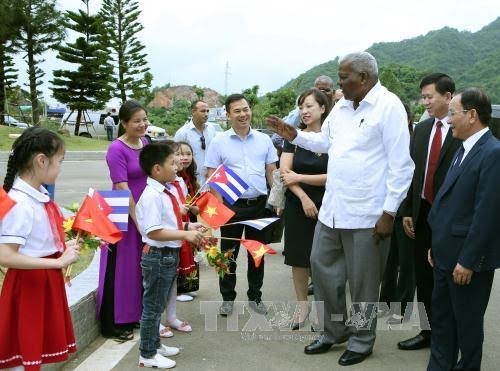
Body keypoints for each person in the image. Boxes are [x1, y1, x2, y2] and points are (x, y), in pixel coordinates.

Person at [267, 51, 414, 366]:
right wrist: (296, 137)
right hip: (333, 209)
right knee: (321, 268)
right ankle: (334, 331)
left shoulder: (389, 107)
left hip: (368, 213)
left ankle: (362, 339)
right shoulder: (343, 108)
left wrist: (389, 213)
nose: (339, 82)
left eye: (343, 76)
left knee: (363, 283)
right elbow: (325, 143)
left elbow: (402, 167)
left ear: (363, 77)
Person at [427, 88, 500, 370]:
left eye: (453, 114)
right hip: (446, 255)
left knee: (467, 326)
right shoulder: (463, 149)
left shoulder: (492, 153)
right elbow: (449, 204)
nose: (448, 120)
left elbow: (487, 214)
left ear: (471, 115)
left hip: (466, 262)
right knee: (442, 321)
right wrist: (436, 243)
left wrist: (468, 260)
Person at [0, 128, 81, 370]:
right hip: (29, 287)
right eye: (60, 161)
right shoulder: (20, 203)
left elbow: (37, 244)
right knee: (24, 353)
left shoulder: (36, 196)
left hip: (42, 282)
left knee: (32, 352)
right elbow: (5, 254)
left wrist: (63, 248)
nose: (61, 167)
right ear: (41, 160)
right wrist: (57, 262)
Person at [397, 73, 461, 351]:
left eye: (429, 96)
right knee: (422, 276)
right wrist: (407, 210)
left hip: (450, 217)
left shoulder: (462, 132)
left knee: (446, 277)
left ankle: (448, 337)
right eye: (422, 97)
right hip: (421, 212)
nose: (425, 102)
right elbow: (411, 175)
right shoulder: (422, 131)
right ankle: (427, 332)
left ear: (448, 97)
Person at [205, 93, 278, 316]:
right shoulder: (219, 141)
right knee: (228, 254)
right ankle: (227, 298)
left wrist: (276, 201)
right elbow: (211, 175)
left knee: (257, 253)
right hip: (231, 206)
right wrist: (220, 210)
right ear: (228, 115)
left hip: (259, 205)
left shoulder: (264, 140)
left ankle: (255, 296)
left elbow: (271, 172)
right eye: (237, 111)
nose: (243, 114)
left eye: (246, 109)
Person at [136, 142, 206, 369]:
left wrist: (189, 228)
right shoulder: (152, 196)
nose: (177, 167)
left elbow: (169, 224)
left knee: (157, 304)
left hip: (166, 255)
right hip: (157, 255)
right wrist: (185, 235)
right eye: (172, 163)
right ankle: (147, 354)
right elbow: (154, 231)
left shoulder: (164, 191)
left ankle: (155, 346)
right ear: (157, 169)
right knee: (153, 308)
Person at [97, 100, 150, 341]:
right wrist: (138, 221)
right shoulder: (116, 149)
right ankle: (117, 321)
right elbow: (121, 187)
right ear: (124, 123)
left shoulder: (146, 143)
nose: (142, 124)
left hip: (146, 210)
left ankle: (136, 313)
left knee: (141, 266)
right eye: (137, 121)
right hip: (124, 214)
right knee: (123, 269)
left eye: (145, 119)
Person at [280, 89, 330, 330]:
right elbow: (285, 173)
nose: (304, 111)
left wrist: (300, 178)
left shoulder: (334, 137)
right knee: (299, 258)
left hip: (328, 204)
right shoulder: (293, 137)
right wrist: (303, 197)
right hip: (297, 204)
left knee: (322, 259)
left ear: (323, 108)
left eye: (309, 106)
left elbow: (335, 176)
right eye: (301, 107)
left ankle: (322, 308)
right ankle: (302, 306)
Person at [379, 102, 416, 324]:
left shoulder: (416, 136)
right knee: (389, 258)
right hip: (386, 205)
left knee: (406, 259)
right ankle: (384, 302)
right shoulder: (386, 138)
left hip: (406, 207)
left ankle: (402, 307)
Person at [174, 100, 217, 185]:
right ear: (193, 111)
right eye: (203, 111)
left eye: (208, 111)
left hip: (211, 178)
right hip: (191, 181)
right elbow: (176, 157)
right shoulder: (183, 133)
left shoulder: (212, 129)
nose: (206, 114)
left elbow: (215, 152)